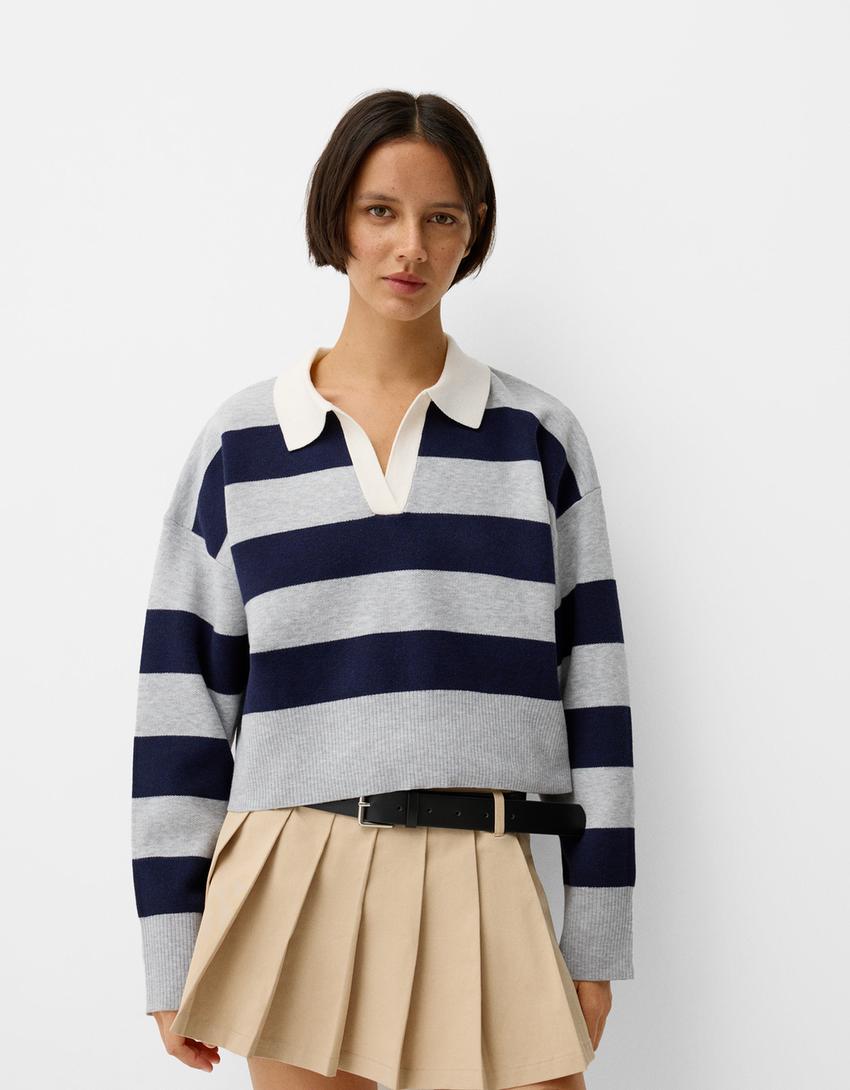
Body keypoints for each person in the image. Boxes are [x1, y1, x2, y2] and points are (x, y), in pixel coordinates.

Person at [131, 89, 636, 1090]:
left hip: (490, 871)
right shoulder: (240, 446)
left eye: (440, 216)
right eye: (381, 211)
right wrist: (170, 943)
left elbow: (597, 695)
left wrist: (596, 936)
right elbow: (182, 700)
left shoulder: (537, 440)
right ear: (338, 219)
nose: (411, 245)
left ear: (472, 230)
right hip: (291, 879)